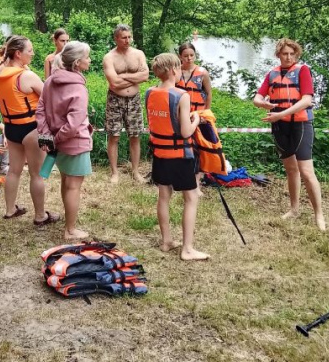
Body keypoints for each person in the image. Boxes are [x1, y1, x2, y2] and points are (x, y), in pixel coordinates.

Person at [252, 38, 325, 231]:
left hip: (300, 124)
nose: (289, 57)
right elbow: (257, 98)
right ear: (278, 55)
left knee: (307, 172)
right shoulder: (272, 74)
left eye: (292, 54)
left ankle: (319, 215)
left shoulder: (303, 71)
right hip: (280, 126)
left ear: (297, 55)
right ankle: (294, 209)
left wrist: (280, 114)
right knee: (291, 169)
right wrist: (263, 103)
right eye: (285, 53)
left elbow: (306, 100)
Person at [145, 53, 207, 261]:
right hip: (180, 155)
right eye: (179, 68)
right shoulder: (182, 95)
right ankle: (187, 249)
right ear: (173, 70)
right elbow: (186, 131)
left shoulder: (149, 93)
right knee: (190, 198)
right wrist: (196, 119)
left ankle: (166, 241)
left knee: (164, 196)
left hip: (160, 153)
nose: (181, 71)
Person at [0, 35, 57, 225]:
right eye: (30, 50)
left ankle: (10, 210)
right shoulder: (26, 76)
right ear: (18, 53)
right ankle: (40, 216)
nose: (33, 53)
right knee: (36, 174)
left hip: (11, 128)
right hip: (31, 128)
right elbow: (48, 95)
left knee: (14, 170)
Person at [36, 41, 93, 240]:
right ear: (77, 63)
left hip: (56, 143)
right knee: (73, 185)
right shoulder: (78, 89)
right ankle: (70, 229)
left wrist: (48, 137)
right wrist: (57, 138)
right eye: (87, 57)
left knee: (66, 180)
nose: (90, 60)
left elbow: (40, 109)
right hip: (75, 143)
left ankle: (69, 223)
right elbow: (74, 123)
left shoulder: (50, 81)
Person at [102, 24, 149, 184]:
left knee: (135, 135)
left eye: (129, 37)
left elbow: (145, 76)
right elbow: (113, 82)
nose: (127, 40)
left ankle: (135, 171)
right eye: (124, 37)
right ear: (116, 38)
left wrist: (124, 77)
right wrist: (135, 76)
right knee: (114, 136)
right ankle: (114, 172)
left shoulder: (138, 54)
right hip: (115, 99)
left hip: (134, 99)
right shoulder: (109, 57)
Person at [176, 42, 213, 195]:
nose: (189, 58)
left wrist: (205, 113)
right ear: (180, 57)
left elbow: (208, 93)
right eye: (185, 56)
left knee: (198, 150)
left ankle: (196, 184)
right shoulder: (176, 72)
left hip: (197, 117)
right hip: (180, 117)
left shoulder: (202, 73)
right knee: (181, 149)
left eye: (192, 55)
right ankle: (180, 180)